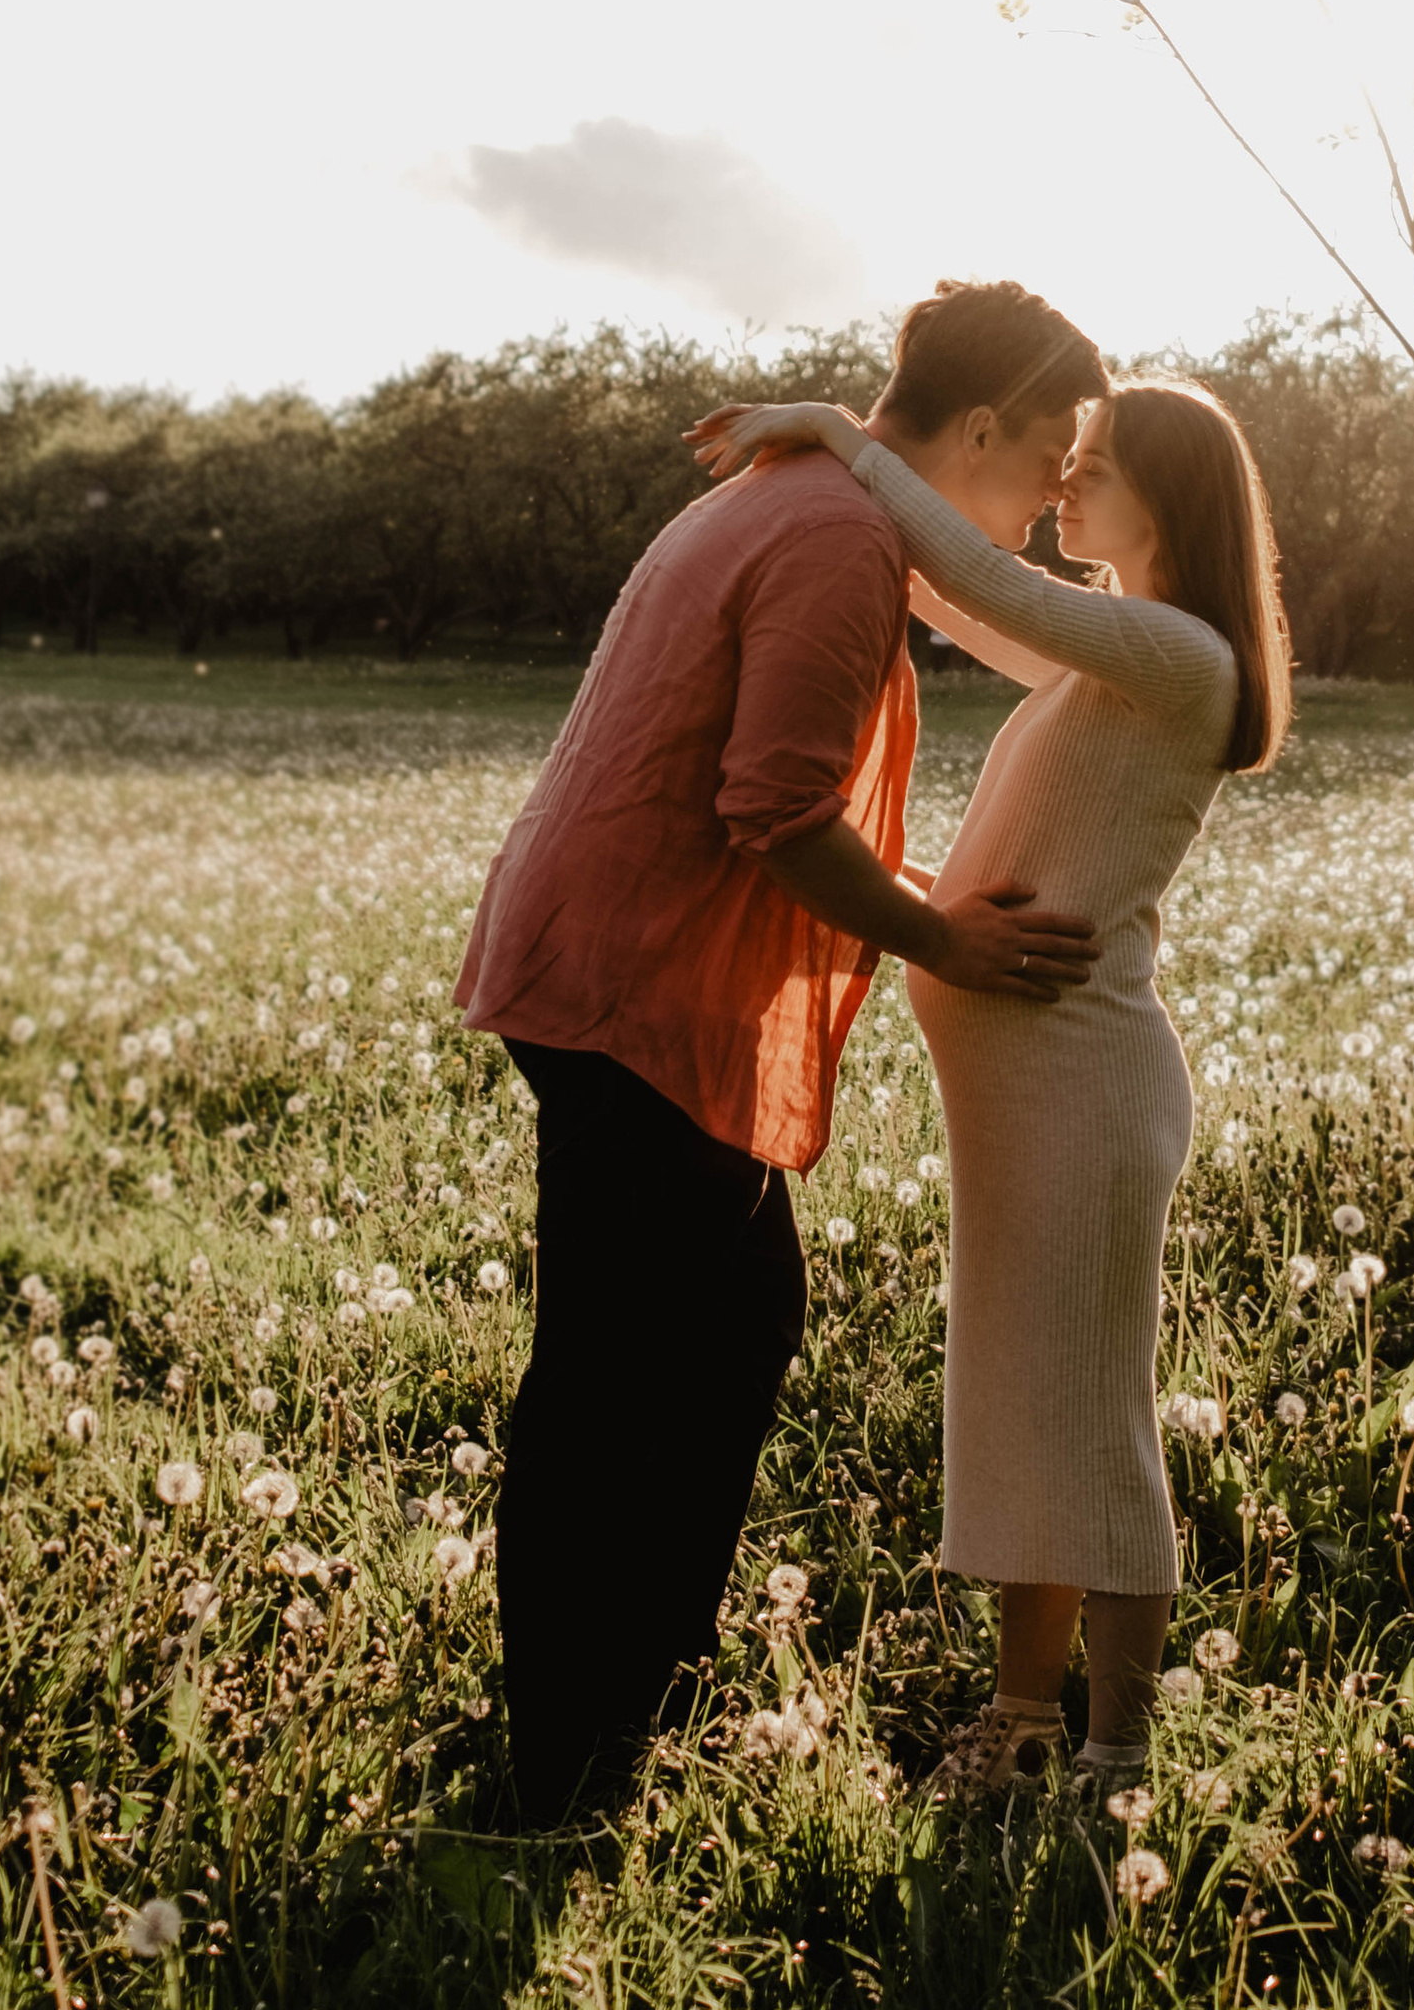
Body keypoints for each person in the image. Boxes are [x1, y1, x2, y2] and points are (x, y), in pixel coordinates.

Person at [454, 278, 1108, 1826]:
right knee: (627, 1373)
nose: (1046, 506)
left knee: (711, 1332)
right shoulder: (829, 537)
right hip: (639, 984)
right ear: (980, 425)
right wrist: (944, 933)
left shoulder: (806, 494)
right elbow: (779, 809)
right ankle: (573, 1758)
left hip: (615, 967)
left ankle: (619, 1708)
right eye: (1046, 462)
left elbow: (979, 628)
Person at [687, 374, 1290, 1797]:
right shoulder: (1117, 660)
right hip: (1032, 1101)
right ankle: (1022, 1724)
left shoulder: (1179, 654)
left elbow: (972, 574)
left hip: (1085, 1090)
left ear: (1167, 495)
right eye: (1065, 461)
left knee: (1094, 1421)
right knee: (1028, 1414)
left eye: (1091, 465)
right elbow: (956, 598)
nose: (1064, 485)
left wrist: (846, 439)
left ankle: (1116, 1756)